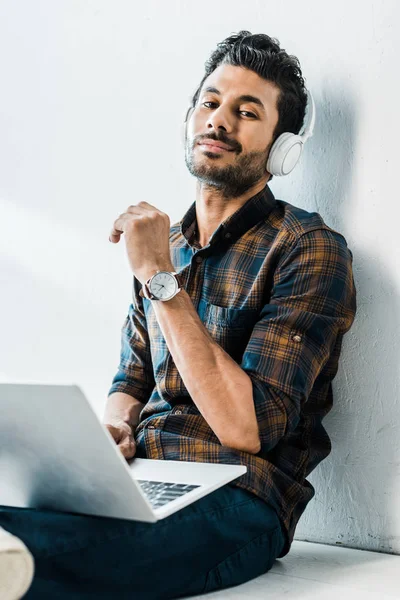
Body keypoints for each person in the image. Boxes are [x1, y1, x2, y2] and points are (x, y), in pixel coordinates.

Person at [0, 30, 357, 600]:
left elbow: (247, 430)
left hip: (241, 497)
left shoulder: (308, 248)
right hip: (143, 475)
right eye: (210, 103)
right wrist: (116, 427)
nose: (220, 121)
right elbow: (131, 379)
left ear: (283, 146)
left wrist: (160, 283)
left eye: (247, 112)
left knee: (29, 553)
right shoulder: (164, 245)